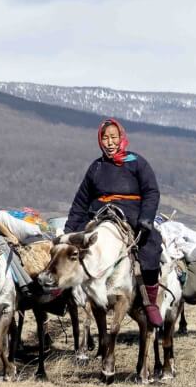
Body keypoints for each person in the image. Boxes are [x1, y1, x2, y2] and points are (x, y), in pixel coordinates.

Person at [63, 118, 164, 327]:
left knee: (151, 244)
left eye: (113, 137)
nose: (109, 142)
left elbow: (151, 192)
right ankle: (66, 292)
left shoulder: (137, 162)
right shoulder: (96, 167)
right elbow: (81, 201)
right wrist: (70, 231)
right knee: (74, 249)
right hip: (100, 214)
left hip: (132, 213)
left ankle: (150, 301)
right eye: (105, 138)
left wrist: (146, 218)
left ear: (121, 138)